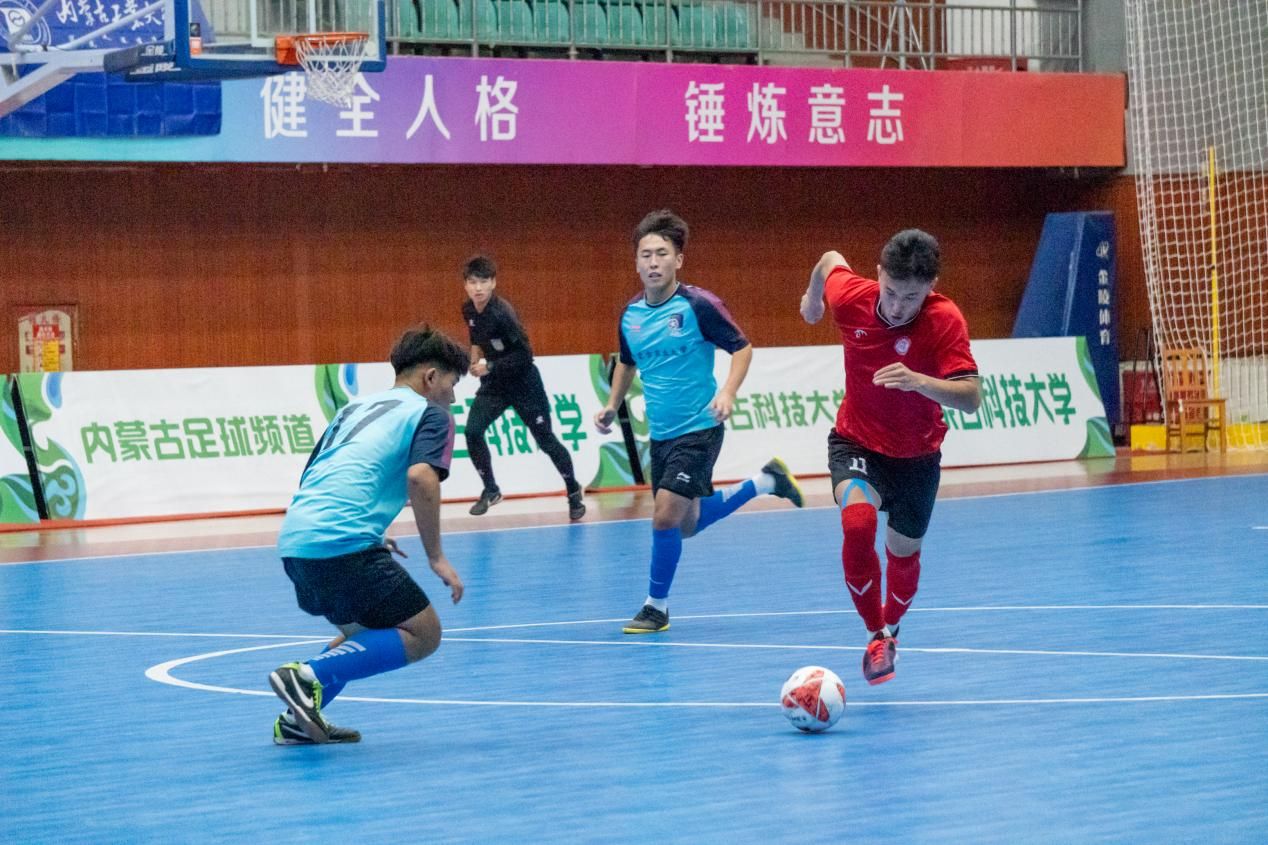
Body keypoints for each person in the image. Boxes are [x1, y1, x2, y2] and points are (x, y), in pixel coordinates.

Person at [595, 209, 805, 634]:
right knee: (685, 525)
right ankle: (767, 481)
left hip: (700, 428)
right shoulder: (630, 315)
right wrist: (612, 405)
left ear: (678, 260)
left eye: (662, 254)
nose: (653, 262)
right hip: (662, 434)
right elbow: (627, 362)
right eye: (645, 255)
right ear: (636, 263)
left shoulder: (698, 306)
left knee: (664, 517)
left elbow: (742, 348)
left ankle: (656, 608)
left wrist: (727, 392)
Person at [267, 325, 469, 745]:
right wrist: (436, 556)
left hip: (298, 540)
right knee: (424, 633)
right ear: (431, 377)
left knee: (363, 634)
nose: (453, 397)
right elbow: (421, 478)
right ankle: (307, 676)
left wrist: (370, 531)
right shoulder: (431, 414)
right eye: (452, 385)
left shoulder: (352, 409)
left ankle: (296, 721)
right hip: (342, 543)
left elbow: (317, 473)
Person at [799, 229, 981, 686]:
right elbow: (829, 257)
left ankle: (892, 627)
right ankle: (875, 634)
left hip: (918, 456)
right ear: (879, 274)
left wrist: (919, 381)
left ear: (931, 287)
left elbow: (971, 397)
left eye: (912, 297)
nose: (898, 307)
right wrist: (813, 300)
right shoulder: (853, 298)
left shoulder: (944, 319)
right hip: (856, 442)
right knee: (858, 523)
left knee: (904, 553)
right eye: (892, 292)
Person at [461, 255, 586, 521]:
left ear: (493, 283)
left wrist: (489, 366)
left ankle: (573, 491)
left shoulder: (502, 314)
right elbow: (475, 337)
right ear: (466, 285)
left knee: (546, 440)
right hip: (495, 385)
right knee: (472, 431)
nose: (478, 288)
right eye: (473, 282)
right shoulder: (469, 310)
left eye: (483, 281)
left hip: (524, 382)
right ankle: (491, 489)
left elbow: (525, 355)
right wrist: (474, 358)